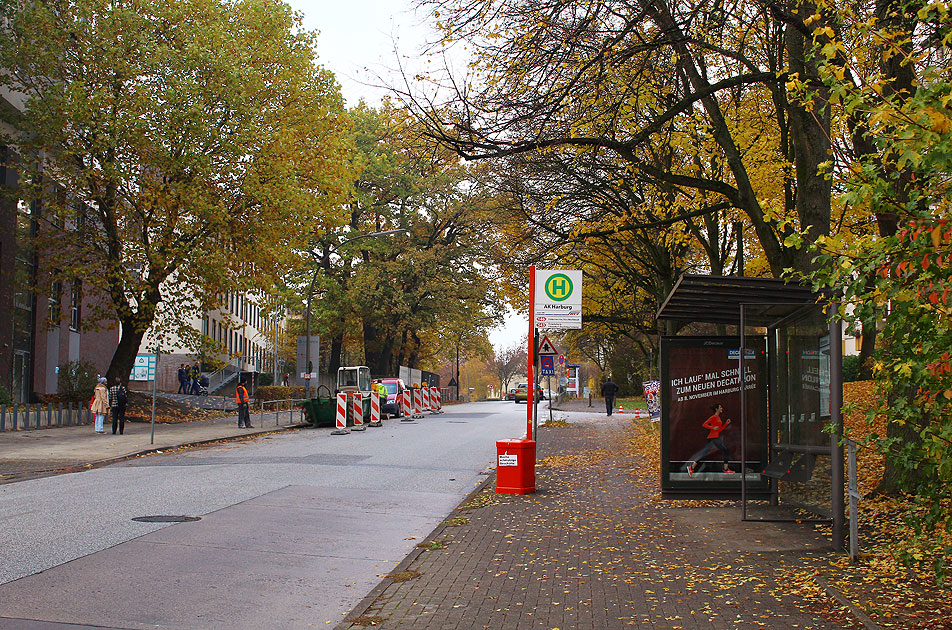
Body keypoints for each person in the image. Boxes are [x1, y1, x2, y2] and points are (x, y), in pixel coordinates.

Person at [686, 403, 735, 476]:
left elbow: (719, 429)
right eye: (720, 407)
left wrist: (726, 424)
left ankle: (691, 467)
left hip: (714, 437)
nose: (722, 409)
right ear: (716, 409)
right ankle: (726, 469)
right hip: (713, 437)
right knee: (725, 450)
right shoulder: (714, 417)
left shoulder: (718, 418)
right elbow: (704, 424)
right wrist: (713, 428)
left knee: (704, 453)